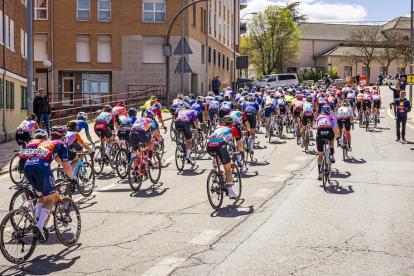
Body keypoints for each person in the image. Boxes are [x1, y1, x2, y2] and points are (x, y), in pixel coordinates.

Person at [24, 125, 78, 240]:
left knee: (42, 196)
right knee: (50, 199)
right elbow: (66, 166)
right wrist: (73, 179)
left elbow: (55, 159)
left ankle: (37, 223)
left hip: (28, 167)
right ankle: (39, 225)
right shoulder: (61, 144)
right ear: (63, 137)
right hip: (41, 167)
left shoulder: (45, 143)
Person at [206, 115, 243, 198]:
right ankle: (230, 192)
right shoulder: (233, 129)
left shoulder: (217, 127)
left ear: (223, 123)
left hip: (209, 145)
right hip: (220, 145)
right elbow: (239, 144)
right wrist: (241, 151)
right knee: (228, 168)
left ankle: (214, 170)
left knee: (216, 155)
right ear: (232, 123)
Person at [316, 105, 338, 180]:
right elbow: (335, 130)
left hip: (320, 133)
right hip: (329, 132)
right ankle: (331, 155)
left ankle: (319, 173)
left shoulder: (319, 117)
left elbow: (317, 127)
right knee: (331, 141)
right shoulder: (332, 117)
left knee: (320, 154)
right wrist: (337, 137)